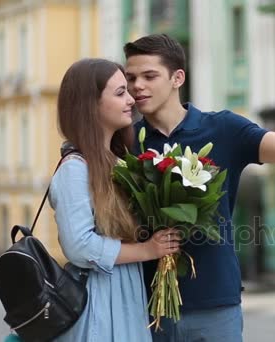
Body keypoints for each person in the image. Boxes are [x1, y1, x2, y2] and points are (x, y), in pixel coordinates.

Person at [124, 34, 275, 341]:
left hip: (215, 303)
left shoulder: (223, 129)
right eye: (131, 78)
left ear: (177, 77)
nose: (138, 86)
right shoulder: (125, 143)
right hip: (147, 308)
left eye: (149, 76)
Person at [49, 58, 181, 341]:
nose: (131, 99)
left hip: (123, 295)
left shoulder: (118, 162)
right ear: (90, 104)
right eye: (120, 93)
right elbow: (79, 247)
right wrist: (147, 250)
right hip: (97, 302)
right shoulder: (75, 168)